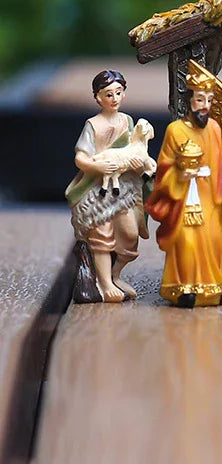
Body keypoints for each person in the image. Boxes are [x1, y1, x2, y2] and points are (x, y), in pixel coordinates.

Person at [146, 67, 222, 307]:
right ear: (189, 100)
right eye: (200, 99)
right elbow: (163, 167)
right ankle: (183, 288)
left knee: (213, 237)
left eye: (209, 100)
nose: (205, 105)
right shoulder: (175, 130)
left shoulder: (214, 128)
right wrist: (180, 175)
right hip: (184, 197)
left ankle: (211, 289)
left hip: (209, 196)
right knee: (187, 241)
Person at [66, 70, 151, 302]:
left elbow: (135, 148)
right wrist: (98, 167)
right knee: (102, 236)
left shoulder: (128, 121)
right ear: (98, 97)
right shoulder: (93, 125)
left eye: (118, 93)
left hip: (124, 189)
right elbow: (81, 158)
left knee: (130, 235)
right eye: (108, 94)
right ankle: (103, 283)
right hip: (98, 190)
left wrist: (137, 164)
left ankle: (115, 275)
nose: (114, 99)